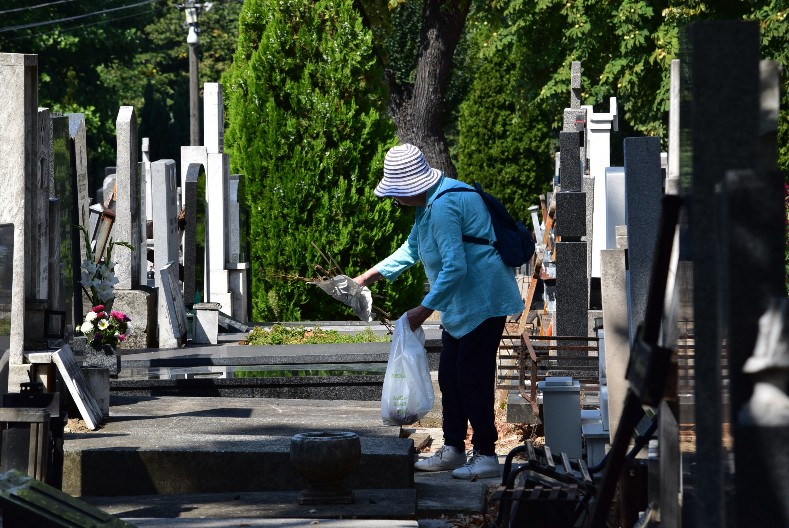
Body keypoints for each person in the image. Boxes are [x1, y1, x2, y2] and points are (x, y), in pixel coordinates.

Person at [354, 143, 524, 480]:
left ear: (410, 187)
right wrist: (366, 278)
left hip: (483, 302)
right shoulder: (429, 203)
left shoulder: (444, 205)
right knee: (450, 377)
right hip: (460, 306)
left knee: (471, 379)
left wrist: (423, 310)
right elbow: (412, 249)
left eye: (396, 193)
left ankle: (486, 454)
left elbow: (455, 267)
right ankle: (454, 449)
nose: (394, 200)